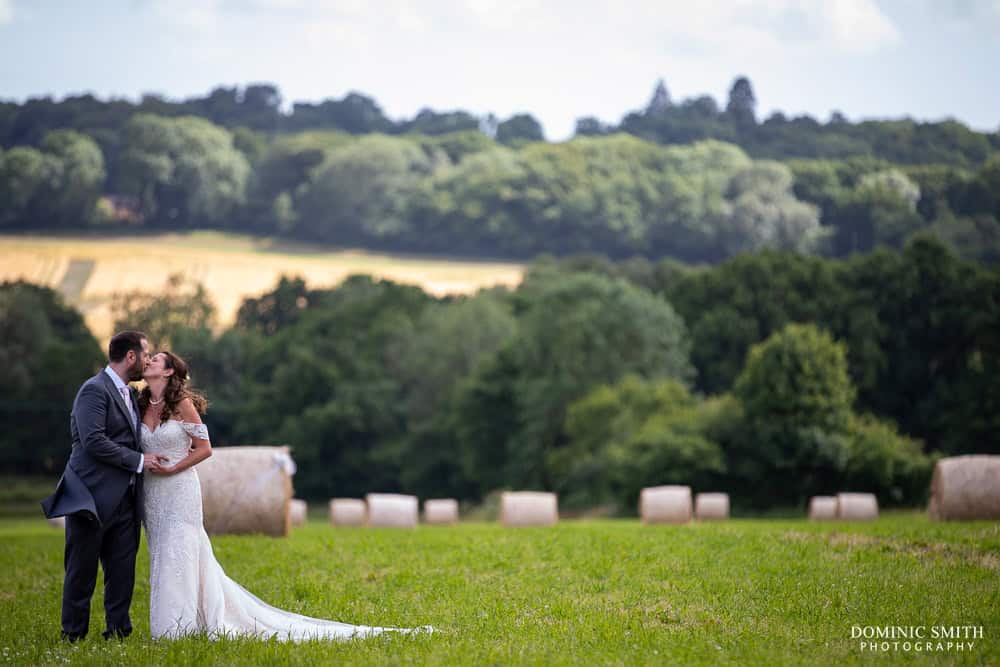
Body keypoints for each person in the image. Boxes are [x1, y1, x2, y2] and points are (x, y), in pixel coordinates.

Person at [138, 350, 429, 640]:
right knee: (162, 553)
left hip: (179, 489)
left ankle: (178, 627)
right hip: (153, 494)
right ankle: (177, 621)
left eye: (156, 359)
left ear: (168, 372)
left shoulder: (182, 405)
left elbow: (205, 448)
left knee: (180, 551)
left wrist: (174, 467)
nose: (149, 360)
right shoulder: (140, 404)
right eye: (148, 357)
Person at [42, 331, 169, 641]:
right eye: (145, 353)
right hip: (92, 497)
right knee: (81, 571)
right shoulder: (93, 391)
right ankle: (73, 635)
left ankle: (118, 632)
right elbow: (93, 441)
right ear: (130, 357)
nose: (147, 359)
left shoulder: (128, 393)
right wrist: (140, 461)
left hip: (127, 499)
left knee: (122, 572)